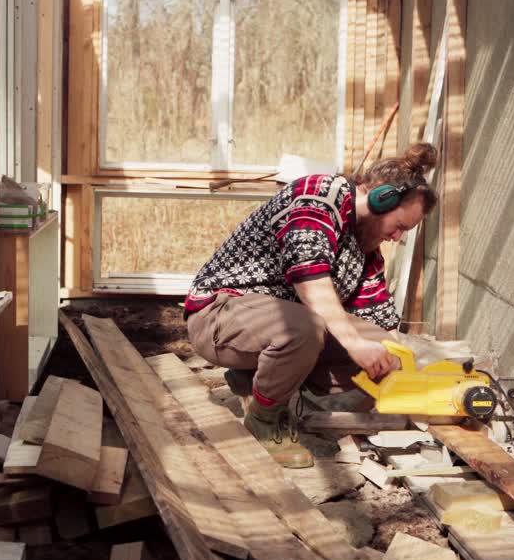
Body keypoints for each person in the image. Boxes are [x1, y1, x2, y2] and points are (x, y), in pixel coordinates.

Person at [184, 142, 439, 467]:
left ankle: (259, 380)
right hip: (217, 314)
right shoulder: (317, 196)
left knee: (384, 351)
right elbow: (309, 277)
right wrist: (353, 344)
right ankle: (264, 421)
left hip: (276, 327)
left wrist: (412, 380)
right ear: (380, 199)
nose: (397, 238)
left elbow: (385, 326)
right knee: (307, 327)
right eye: (400, 226)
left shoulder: (366, 248)